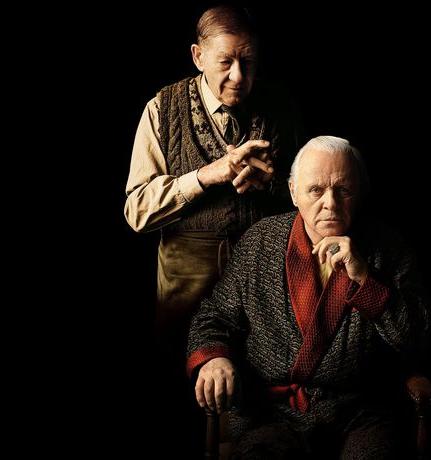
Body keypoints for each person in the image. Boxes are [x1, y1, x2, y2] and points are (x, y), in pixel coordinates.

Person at [186, 136, 431, 459]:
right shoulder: (260, 242)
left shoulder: (387, 247)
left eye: (343, 190)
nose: (330, 203)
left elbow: (421, 337)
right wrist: (214, 359)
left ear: (360, 193)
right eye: (316, 190)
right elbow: (213, 317)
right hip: (271, 413)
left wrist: (365, 279)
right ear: (293, 192)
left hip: (360, 414)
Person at [123, 4, 302, 455]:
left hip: (262, 284)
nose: (238, 76)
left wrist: (273, 186)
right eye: (226, 62)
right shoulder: (161, 108)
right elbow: (137, 210)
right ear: (197, 56)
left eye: (249, 62)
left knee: (257, 400)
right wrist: (207, 176)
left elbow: (312, 200)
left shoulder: (281, 106)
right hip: (185, 287)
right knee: (180, 405)